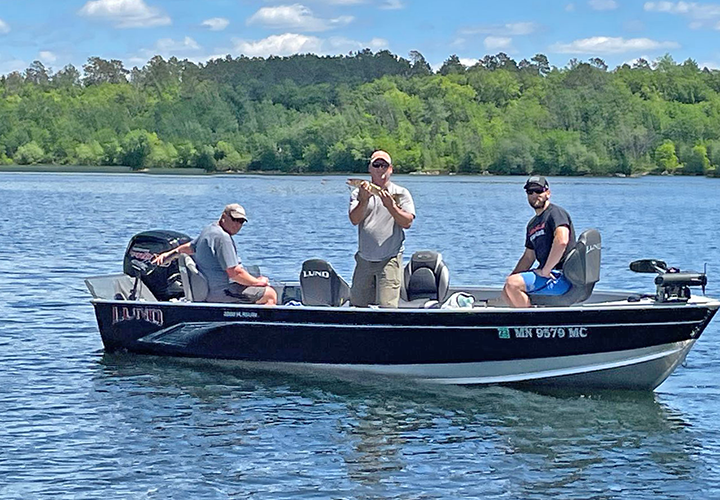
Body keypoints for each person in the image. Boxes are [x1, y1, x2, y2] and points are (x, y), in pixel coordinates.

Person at [151, 204, 277, 305]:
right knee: (270, 294)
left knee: (255, 280)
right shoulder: (223, 238)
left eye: (241, 222)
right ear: (224, 216)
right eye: (234, 220)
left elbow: (189, 247)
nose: (237, 225)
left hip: (211, 290)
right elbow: (235, 273)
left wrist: (169, 254)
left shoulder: (209, 230)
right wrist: (258, 283)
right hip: (222, 292)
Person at [348, 150, 415, 308]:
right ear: (370, 169)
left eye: (384, 165)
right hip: (364, 259)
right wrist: (363, 201)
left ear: (390, 169)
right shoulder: (358, 193)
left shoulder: (401, 193)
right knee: (357, 306)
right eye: (376, 165)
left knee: (387, 307)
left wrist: (391, 207)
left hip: (389, 258)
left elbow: (407, 223)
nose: (380, 169)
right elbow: (354, 219)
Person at [502, 175, 576, 308]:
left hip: (560, 276)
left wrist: (545, 271)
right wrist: (511, 277)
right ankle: (522, 323)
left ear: (548, 193)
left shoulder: (555, 213)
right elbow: (528, 257)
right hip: (546, 276)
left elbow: (562, 240)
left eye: (539, 191)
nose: (534, 195)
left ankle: (530, 321)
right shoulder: (532, 224)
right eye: (530, 192)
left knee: (513, 285)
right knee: (508, 289)